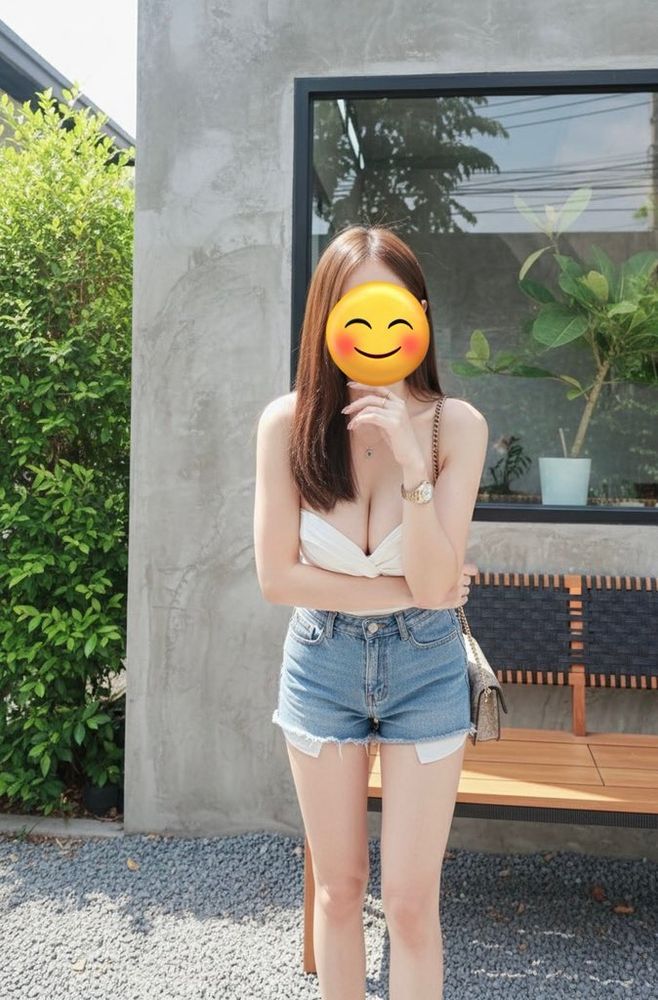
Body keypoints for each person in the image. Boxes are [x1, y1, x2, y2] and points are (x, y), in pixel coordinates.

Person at [253, 223, 488, 1000]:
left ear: (420, 316)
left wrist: (415, 466)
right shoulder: (287, 424)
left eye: (393, 311)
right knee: (339, 889)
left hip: (426, 664)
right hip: (321, 662)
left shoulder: (456, 427)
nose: (378, 333)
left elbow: (435, 579)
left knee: (412, 904)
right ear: (327, 321)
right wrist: (407, 593)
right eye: (356, 313)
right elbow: (279, 579)